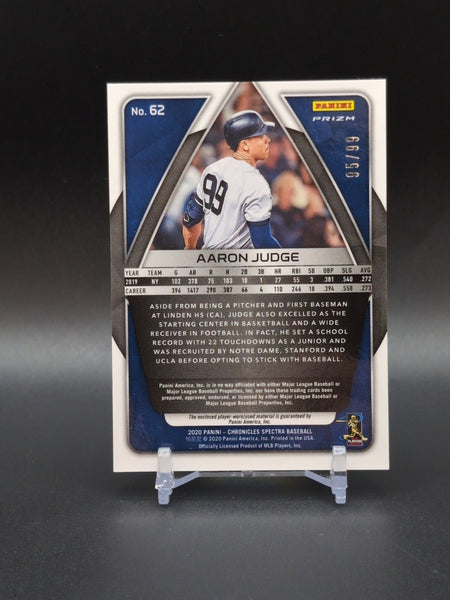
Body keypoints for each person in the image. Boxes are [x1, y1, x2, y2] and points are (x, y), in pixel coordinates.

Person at [182, 110, 280, 249]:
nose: (268, 140)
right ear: (245, 145)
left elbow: (190, 220)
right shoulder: (256, 183)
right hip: (238, 260)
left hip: (209, 258)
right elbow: (262, 241)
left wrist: (189, 249)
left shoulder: (213, 169)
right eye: (261, 136)